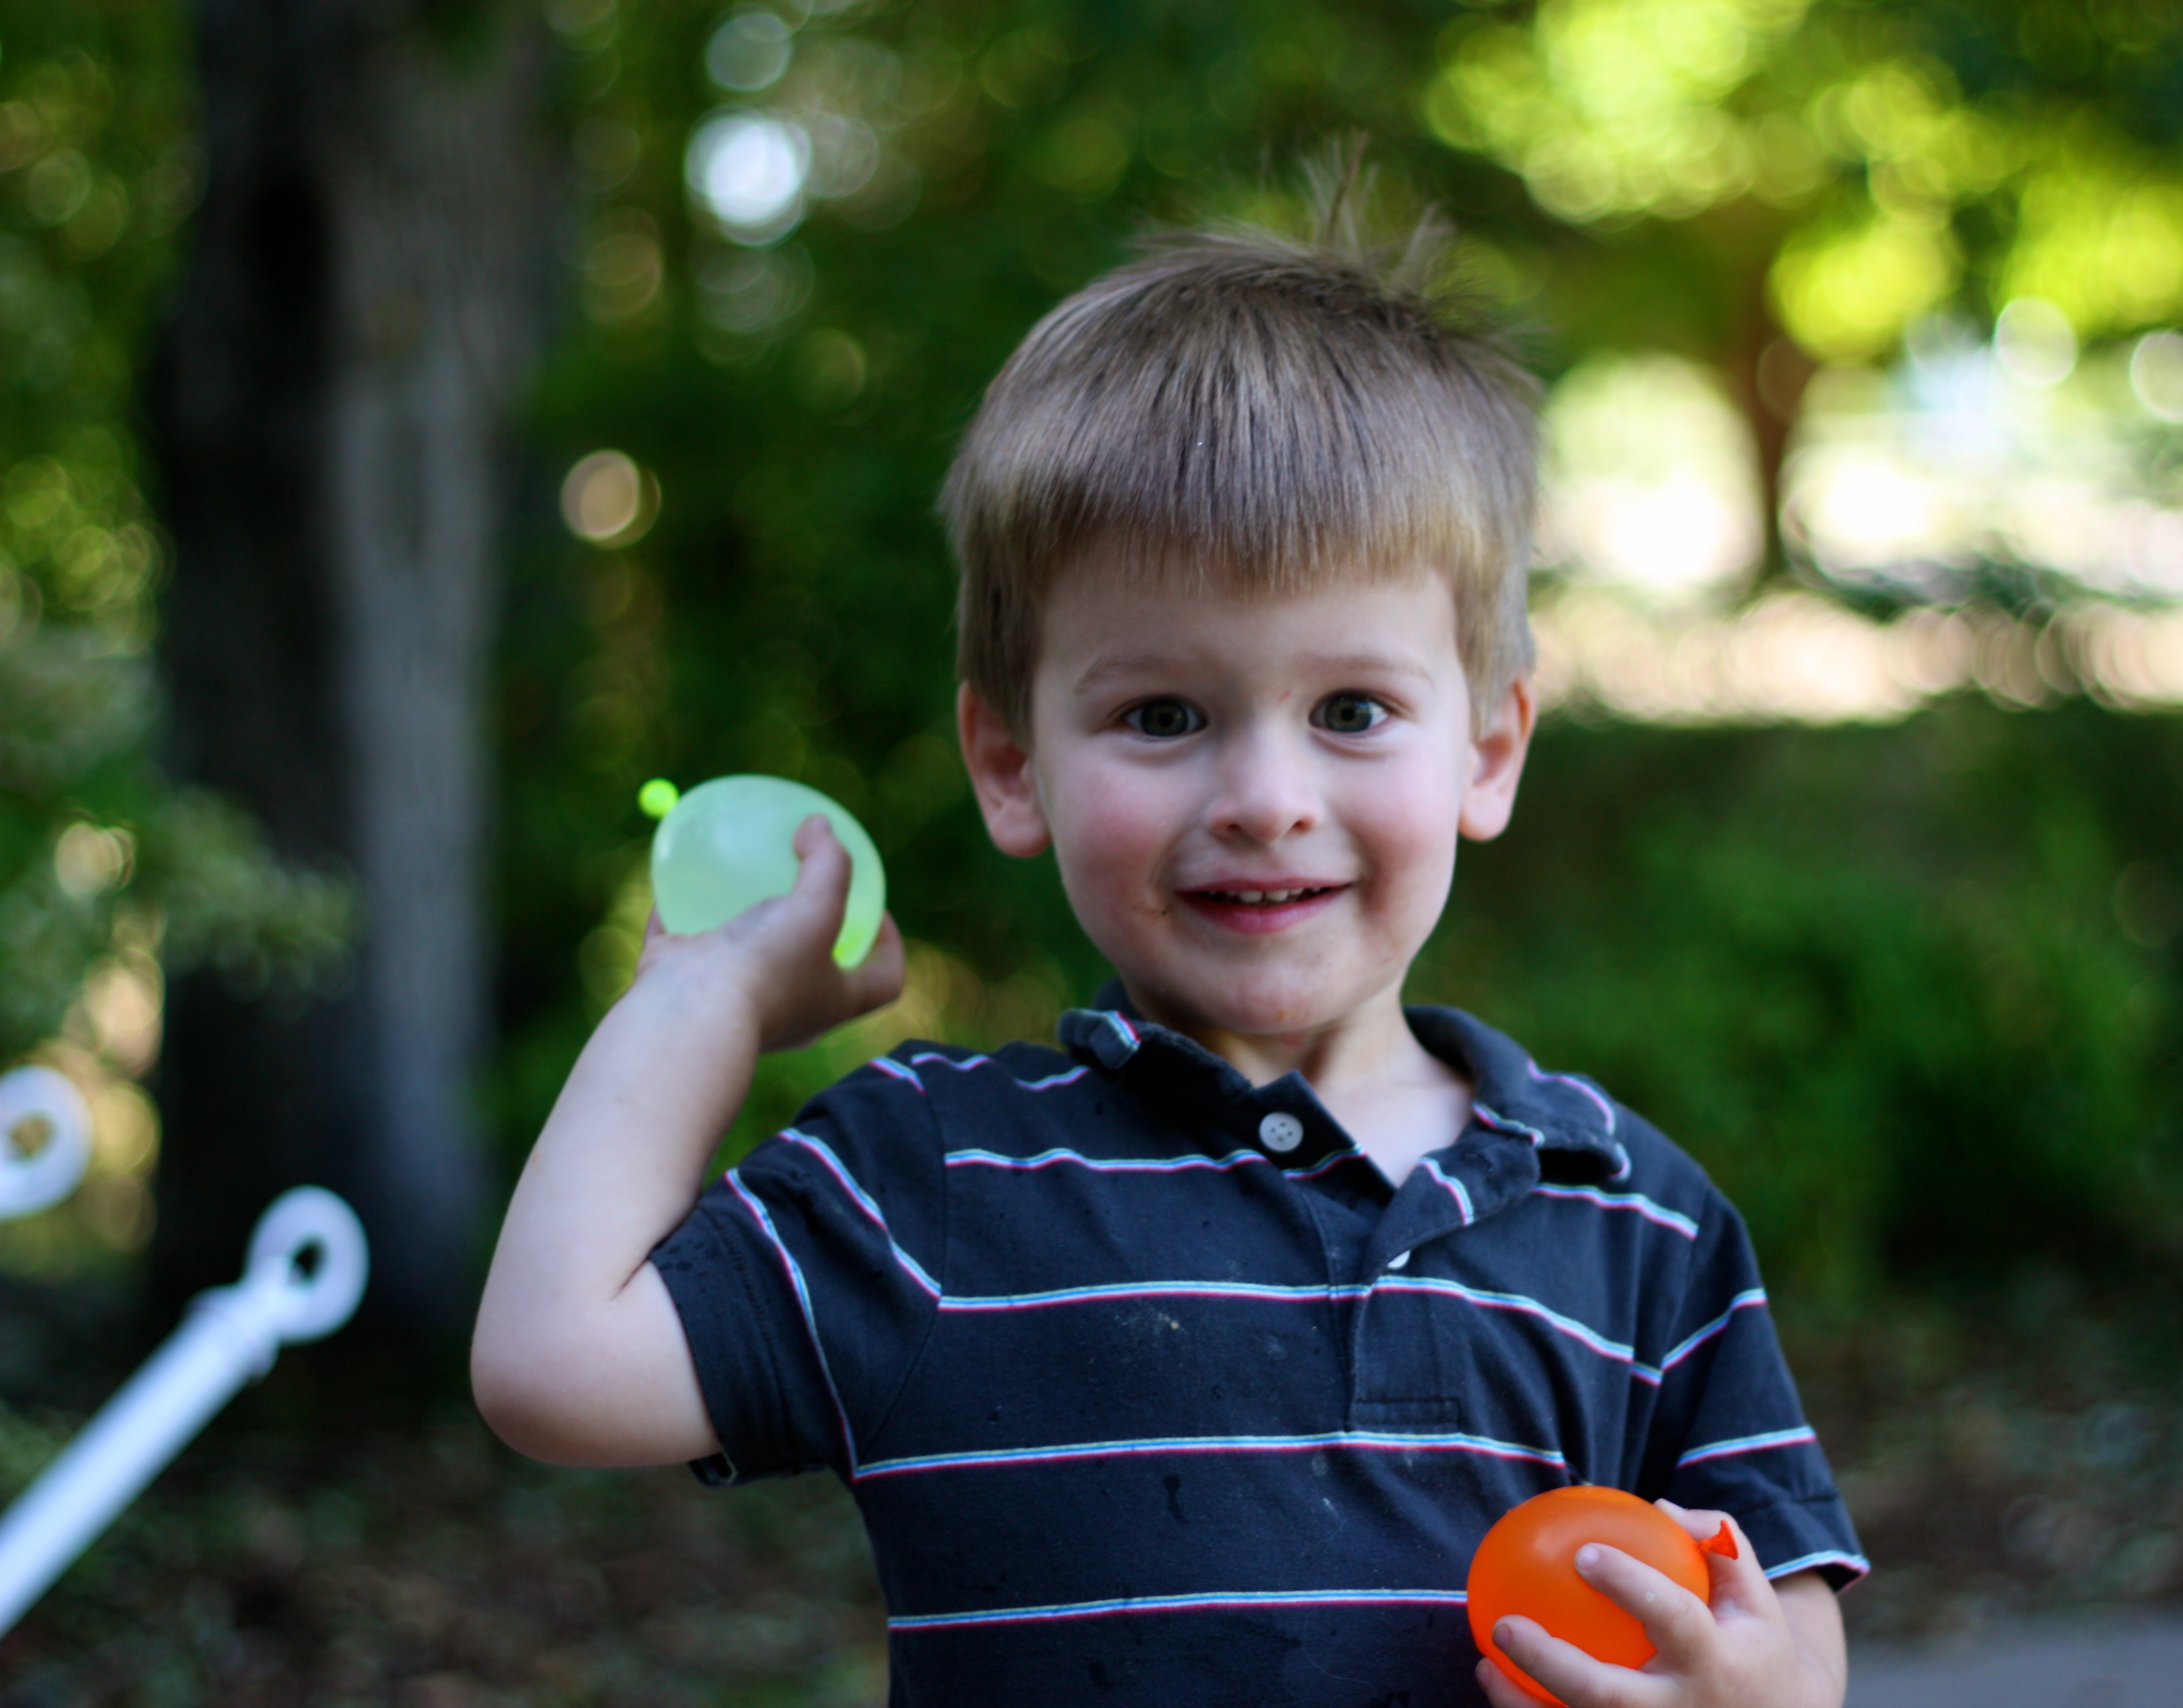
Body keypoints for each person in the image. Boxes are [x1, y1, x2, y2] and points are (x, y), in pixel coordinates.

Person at [472, 174, 1866, 1707]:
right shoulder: (938, 1183)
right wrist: (709, 990)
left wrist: (1747, 1694)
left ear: (1486, 746)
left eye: (1351, 710)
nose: (1266, 798)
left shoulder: (1630, 1216)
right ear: (1012, 762)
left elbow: (1787, 1618)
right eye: (1163, 716)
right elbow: (550, 1362)